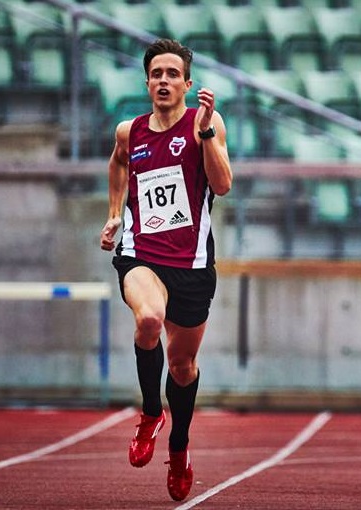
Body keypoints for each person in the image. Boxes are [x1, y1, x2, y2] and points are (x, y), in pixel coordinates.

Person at [99, 38, 232, 502]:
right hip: (141, 255)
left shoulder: (206, 124)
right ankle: (151, 413)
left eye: (172, 74)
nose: (163, 81)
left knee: (182, 365)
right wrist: (115, 212)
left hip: (192, 264)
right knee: (149, 320)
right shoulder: (128, 132)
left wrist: (206, 134)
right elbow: (117, 166)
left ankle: (179, 446)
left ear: (187, 84)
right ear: (147, 81)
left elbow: (223, 185)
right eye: (156, 73)